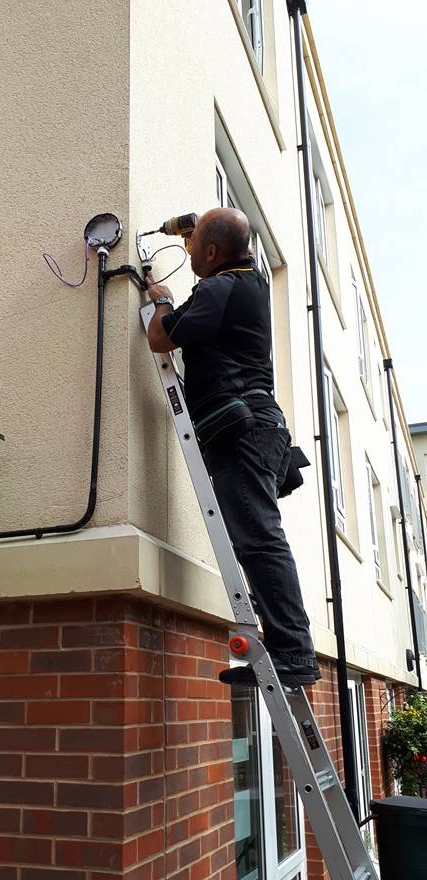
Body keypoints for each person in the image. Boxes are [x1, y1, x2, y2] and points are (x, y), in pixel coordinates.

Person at [145, 207, 321, 685]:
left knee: (259, 539)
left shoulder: (219, 288)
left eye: (196, 244)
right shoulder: (250, 283)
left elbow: (162, 338)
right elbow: (210, 253)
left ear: (212, 252)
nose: (191, 252)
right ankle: (290, 648)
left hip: (241, 429)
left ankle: (293, 653)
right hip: (259, 427)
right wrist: (193, 233)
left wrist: (160, 300)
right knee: (256, 538)